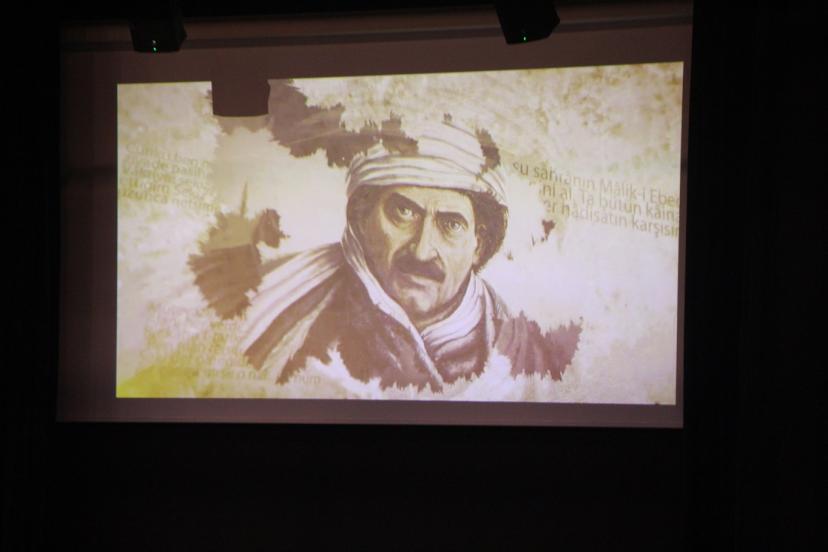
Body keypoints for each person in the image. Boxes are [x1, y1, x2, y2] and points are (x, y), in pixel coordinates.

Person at [237, 119, 581, 392]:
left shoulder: (532, 356)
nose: (421, 250)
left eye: (450, 224)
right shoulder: (265, 307)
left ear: (478, 245)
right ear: (361, 218)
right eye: (403, 212)